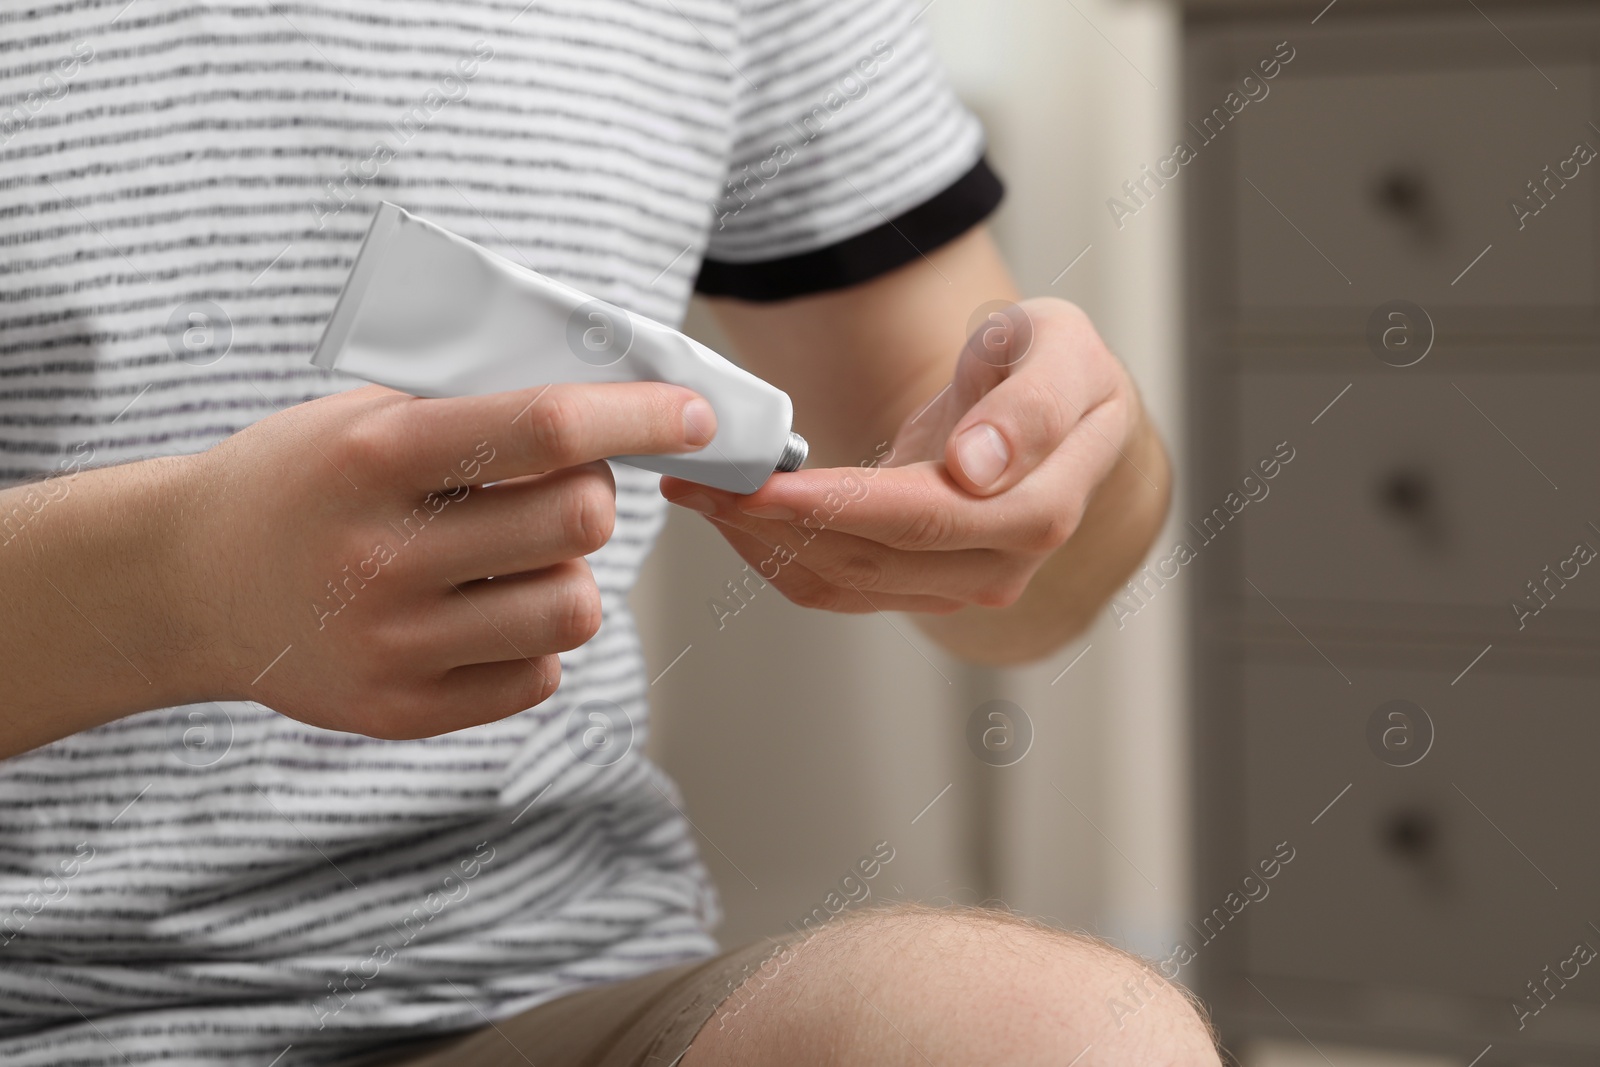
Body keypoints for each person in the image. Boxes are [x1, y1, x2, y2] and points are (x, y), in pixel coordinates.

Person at [0, 1, 1218, 1064]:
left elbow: (1045, 579)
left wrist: (1057, 483)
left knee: (1072, 1034)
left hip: (539, 995)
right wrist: (177, 589)